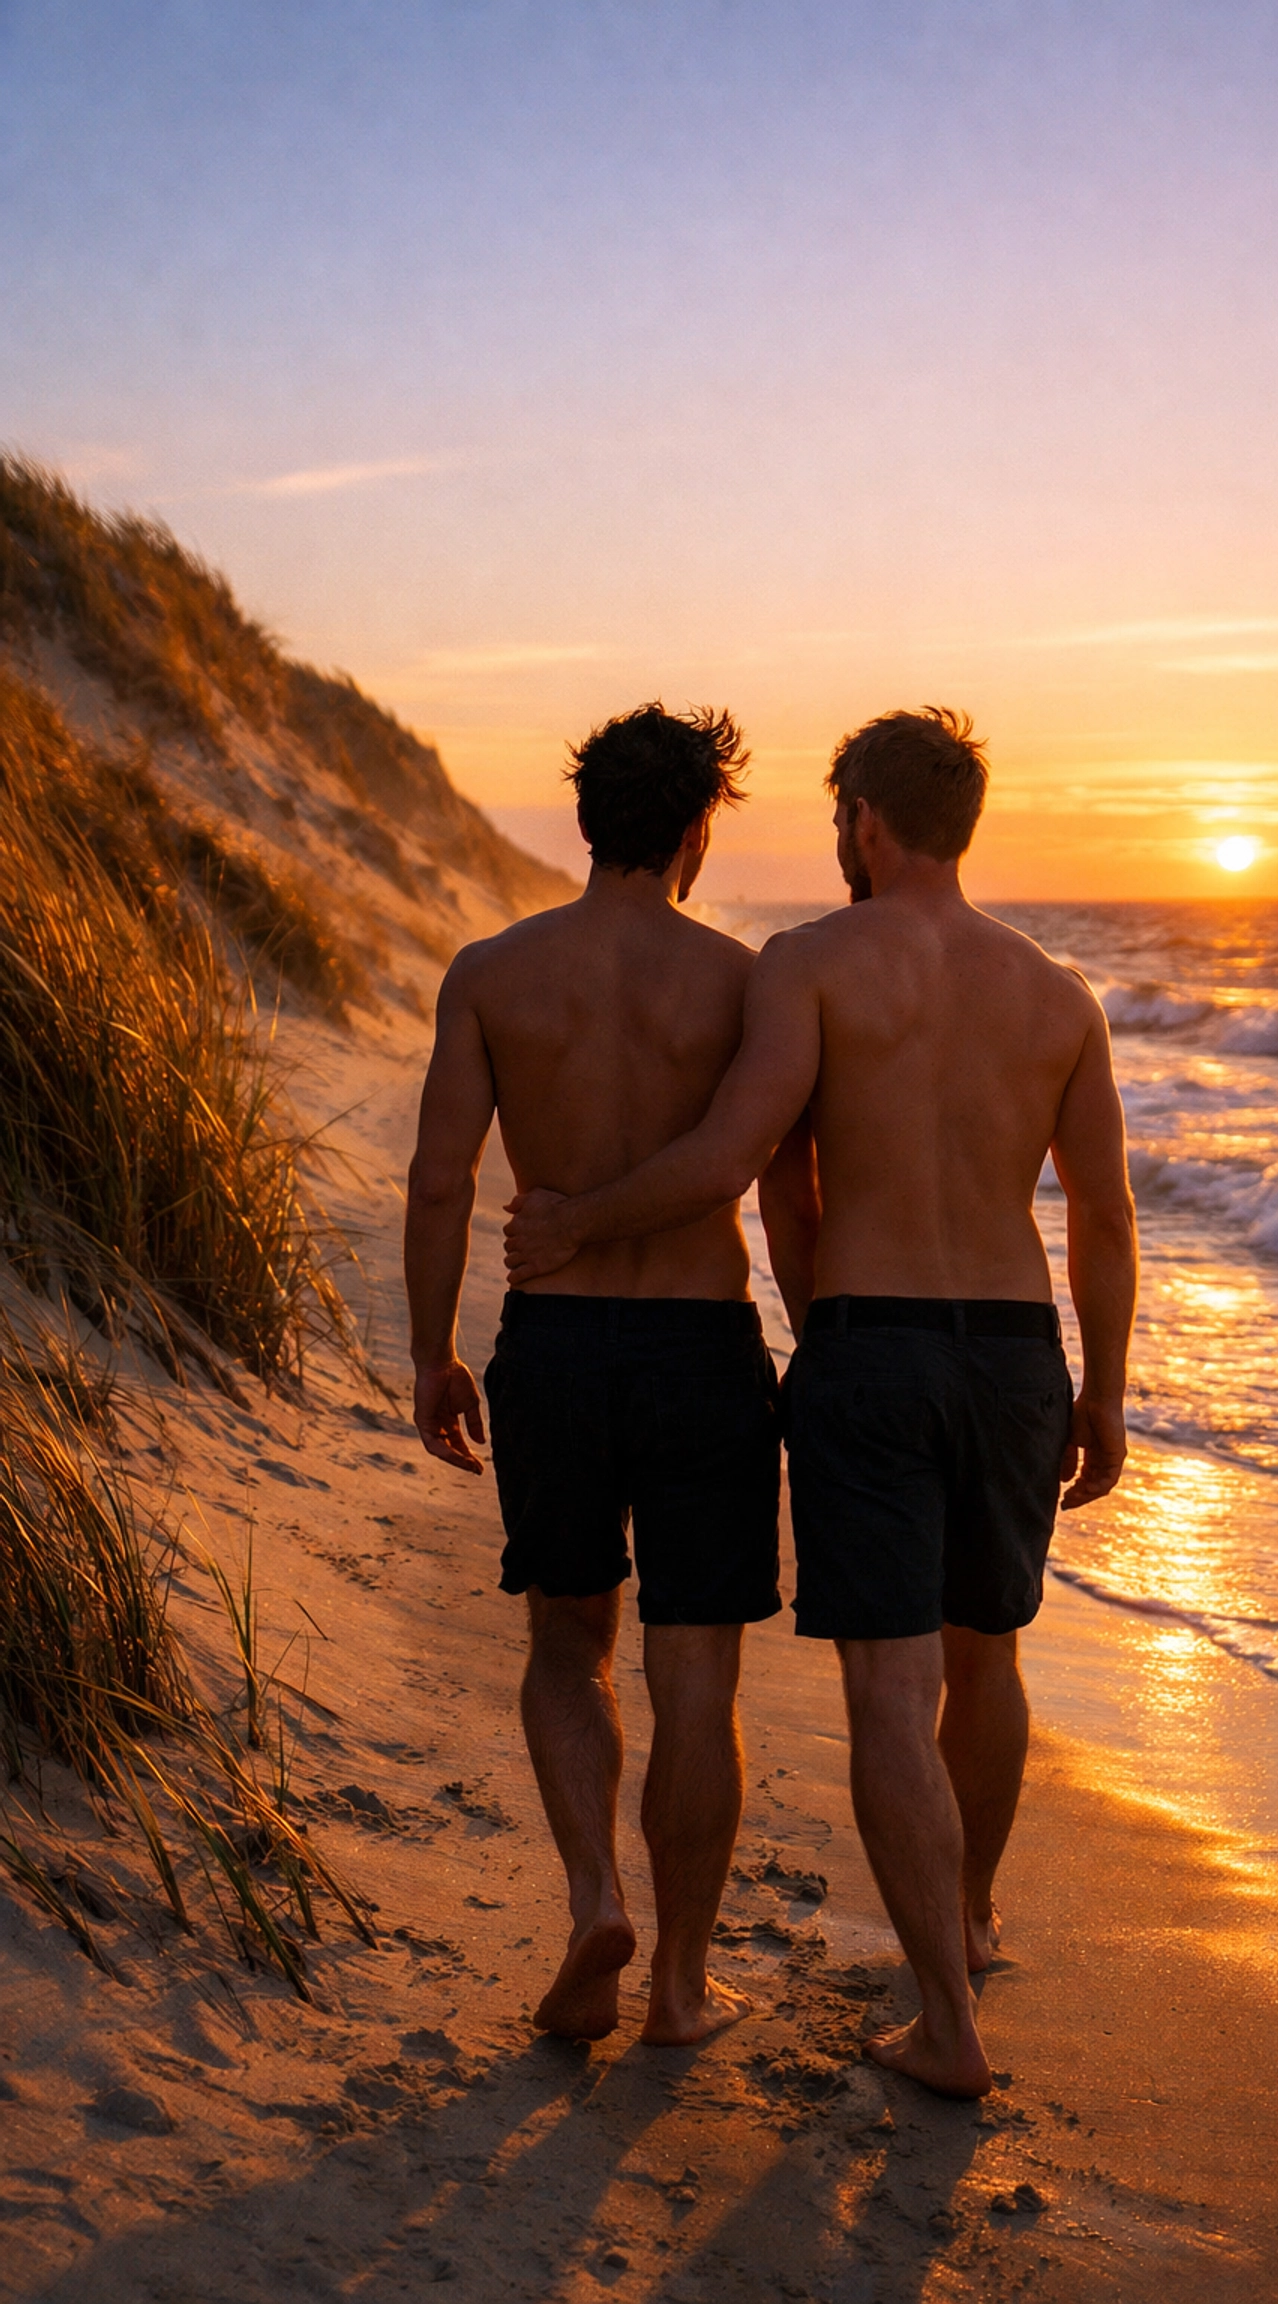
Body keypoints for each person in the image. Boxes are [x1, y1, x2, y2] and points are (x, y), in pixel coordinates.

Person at [502, 706, 1137, 2099]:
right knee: (993, 1657)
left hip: (873, 1351)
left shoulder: (809, 965)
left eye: (841, 813)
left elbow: (747, 1160)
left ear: (865, 819)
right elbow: (1103, 1222)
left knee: (892, 1691)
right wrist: (1110, 1392)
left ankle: (946, 2027)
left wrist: (600, 1229)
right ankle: (964, 1932)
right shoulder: (1061, 996)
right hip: (1020, 1353)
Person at [405, 701, 809, 2046]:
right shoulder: (746, 982)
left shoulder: (493, 973)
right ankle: (683, 1988)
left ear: (586, 825)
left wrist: (432, 1352)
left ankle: (592, 1899)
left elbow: (443, 1177)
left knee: (567, 1646)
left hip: (557, 1350)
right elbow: (764, 1172)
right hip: (701, 1349)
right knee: (699, 1676)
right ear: (701, 828)